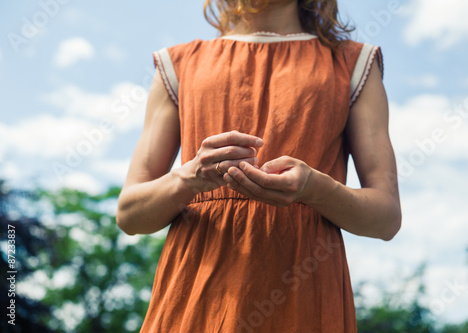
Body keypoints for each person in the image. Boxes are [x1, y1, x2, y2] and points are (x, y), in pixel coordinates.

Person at [116, 0, 402, 331]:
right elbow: (130, 215)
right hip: (195, 294)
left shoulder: (354, 63)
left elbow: (386, 219)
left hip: (304, 295)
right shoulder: (178, 64)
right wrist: (189, 177)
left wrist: (316, 189)